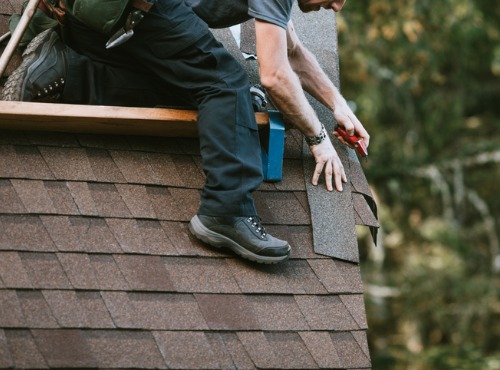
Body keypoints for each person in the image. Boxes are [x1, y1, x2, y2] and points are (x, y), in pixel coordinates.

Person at [2, 0, 370, 262]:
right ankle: (227, 211)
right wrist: (319, 139)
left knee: (189, 88)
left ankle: (68, 72)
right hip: (138, 8)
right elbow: (274, 75)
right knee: (226, 86)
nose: (337, 7)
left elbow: (291, 51)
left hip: (96, 21)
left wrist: (338, 106)